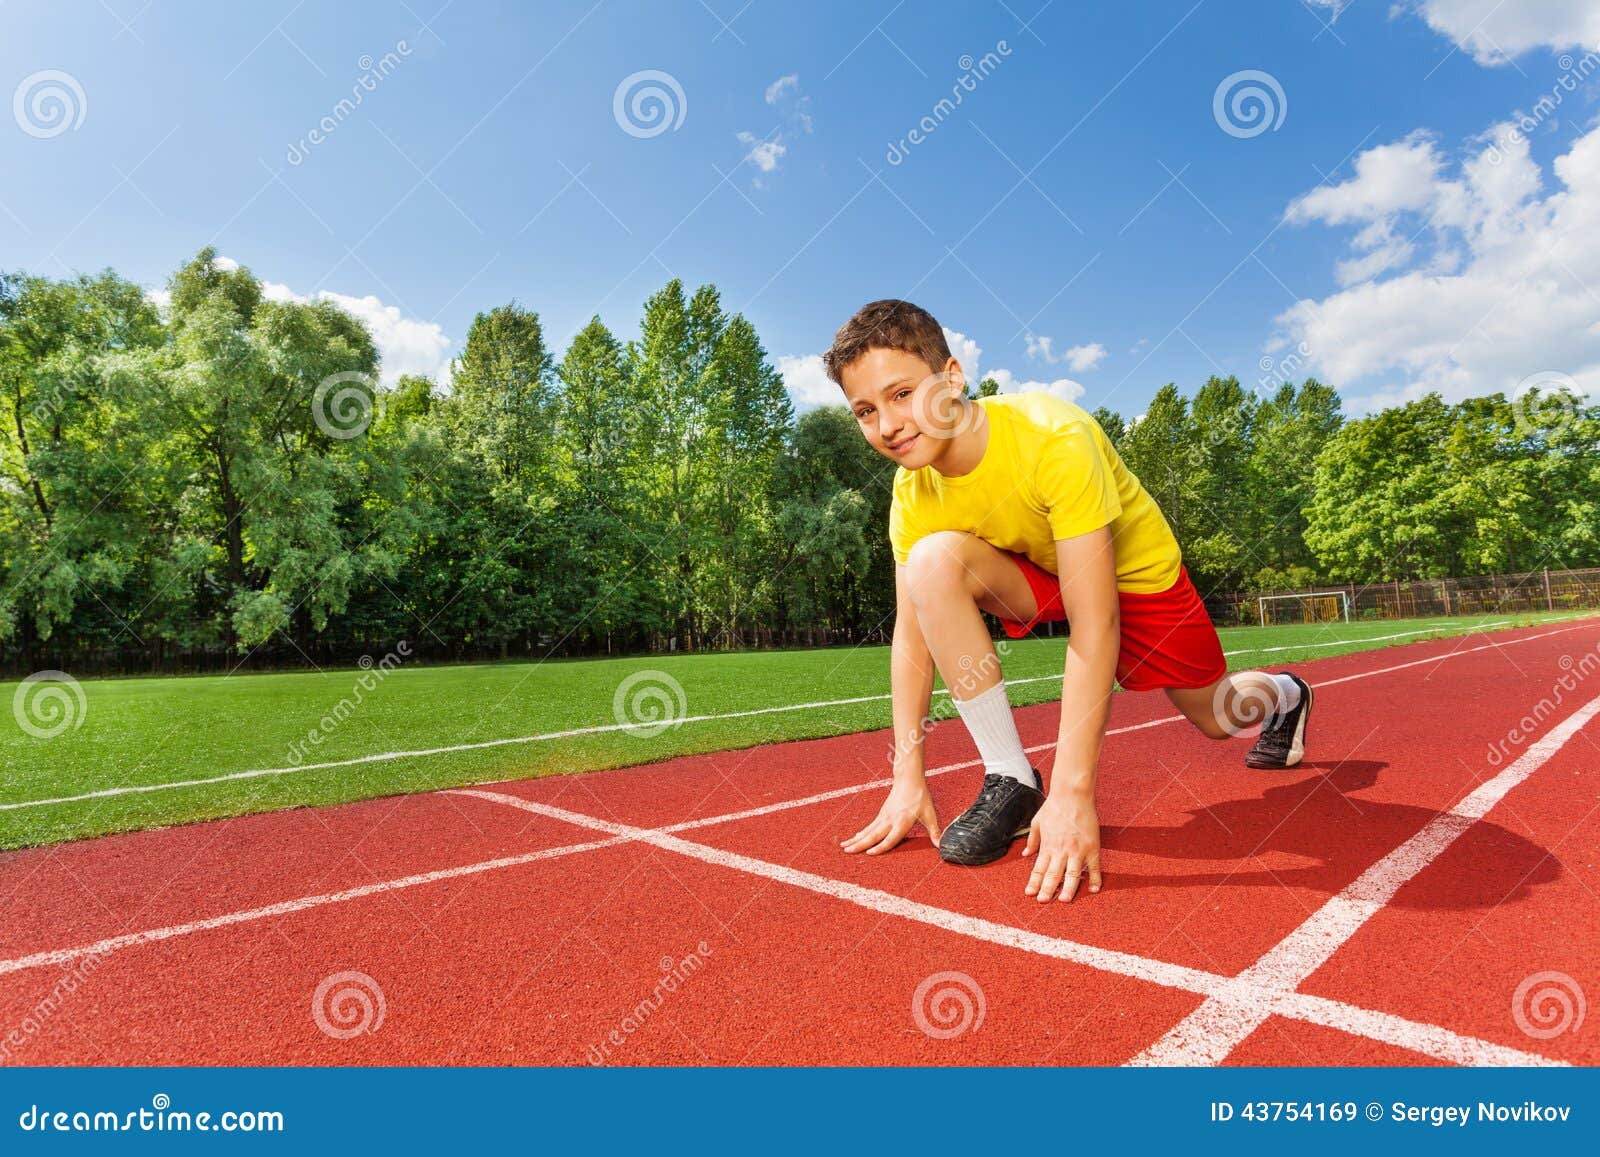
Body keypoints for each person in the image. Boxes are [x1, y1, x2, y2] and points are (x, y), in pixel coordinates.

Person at [827, 299, 1313, 902]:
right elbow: (911, 635)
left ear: (952, 376)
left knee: (1219, 717)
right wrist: (907, 776)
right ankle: (1010, 778)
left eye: (901, 394)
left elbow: (1097, 620)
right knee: (933, 562)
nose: (888, 425)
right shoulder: (912, 491)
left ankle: (1288, 694)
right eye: (865, 411)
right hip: (1035, 575)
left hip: (1132, 582)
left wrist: (1075, 792)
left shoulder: (1055, 436)